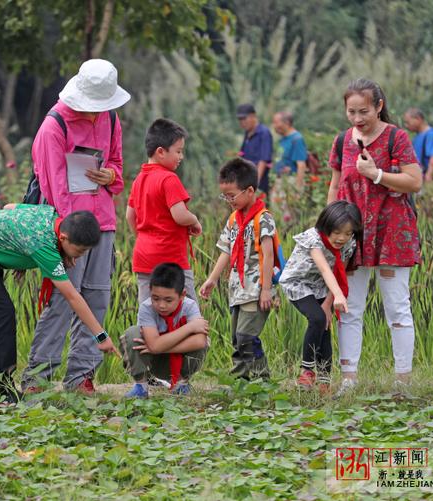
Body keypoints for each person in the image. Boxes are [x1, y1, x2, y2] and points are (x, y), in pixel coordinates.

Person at [21, 59, 130, 394]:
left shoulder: (111, 119)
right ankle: (38, 378)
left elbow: (118, 166)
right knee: (61, 300)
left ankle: (81, 376)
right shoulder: (54, 127)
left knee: (96, 298)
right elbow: (55, 189)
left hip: (104, 224)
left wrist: (110, 175)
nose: (98, 112)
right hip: (68, 230)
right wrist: (65, 241)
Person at [0, 205, 121, 402]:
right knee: (2, 313)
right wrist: (101, 337)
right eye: (79, 250)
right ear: (63, 238)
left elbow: (11, 207)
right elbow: (73, 297)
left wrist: (16, 248)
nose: (81, 256)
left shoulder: (50, 217)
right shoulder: (43, 245)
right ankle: (3, 388)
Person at [327, 78, 422, 393]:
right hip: (350, 234)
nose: (357, 119)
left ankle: (402, 381)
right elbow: (336, 185)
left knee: (397, 307)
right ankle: (349, 380)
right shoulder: (342, 141)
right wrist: (327, 230)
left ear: (379, 106)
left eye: (363, 111)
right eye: (351, 111)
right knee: (349, 307)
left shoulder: (397, 137)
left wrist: (377, 175)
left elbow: (415, 181)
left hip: (391, 233)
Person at [199, 158, 277, 379]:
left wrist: (266, 289)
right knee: (237, 337)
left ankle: (250, 378)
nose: (228, 200)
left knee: (246, 335)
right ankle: (250, 379)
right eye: (225, 196)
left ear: (250, 190)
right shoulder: (233, 220)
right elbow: (226, 250)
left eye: (231, 195)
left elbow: (269, 254)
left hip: (257, 288)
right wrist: (212, 279)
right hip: (237, 289)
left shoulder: (264, 219)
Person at [279, 201, 362, 393]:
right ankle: (307, 371)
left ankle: (325, 381)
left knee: (324, 326)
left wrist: (328, 304)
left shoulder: (349, 244)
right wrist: (339, 296)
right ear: (327, 226)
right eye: (338, 232)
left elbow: (338, 272)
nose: (342, 238)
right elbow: (325, 268)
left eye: (348, 233)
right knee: (316, 318)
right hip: (298, 283)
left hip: (323, 288)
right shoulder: (313, 238)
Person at [126, 118, 201, 305]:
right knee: (188, 311)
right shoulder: (169, 179)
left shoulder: (139, 180)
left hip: (144, 256)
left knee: (147, 311)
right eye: (178, 151)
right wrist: (194, 220)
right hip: (170, 258)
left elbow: (130, 215)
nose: (181, 157)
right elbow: (180, 215)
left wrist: (143, 237)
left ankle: (149, 335)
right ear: (161, 151)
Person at [120, 263, 209, 398]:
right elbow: (154, 346)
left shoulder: (190, 306)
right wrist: (189, 328)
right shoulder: (147, 308)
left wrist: (159, 347)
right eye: (155, 298)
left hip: (178, 361)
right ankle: (141, 386)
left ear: (182, 295)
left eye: (168, 300)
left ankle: (181, 383)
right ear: (150, 292)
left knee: (204, 340)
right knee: (132, 333)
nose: (161, 305)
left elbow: (200, 342)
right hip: (153, 363)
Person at [237, 103, 273, 194]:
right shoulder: (247, 133)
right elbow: (242, 155)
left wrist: (255, 183)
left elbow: (263, 160)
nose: (242, 122)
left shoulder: (264, 133)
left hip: (259, 180)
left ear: (253, 116)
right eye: (240, 119)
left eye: (244, 118)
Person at [403, 108, 433, 183]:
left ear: (418, 119)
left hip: (429, 178)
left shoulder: (430, 135)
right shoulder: (416, 137)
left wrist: (429, 176)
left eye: (408, 122)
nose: (406, 126)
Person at [271, 111, 308, 190]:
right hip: (280, 181)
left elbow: (301, 166)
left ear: (287, 123)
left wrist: (297, 189)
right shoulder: (283, 139)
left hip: (290, 182)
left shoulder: (297, 139)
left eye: (276, 123)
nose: (274, 126)